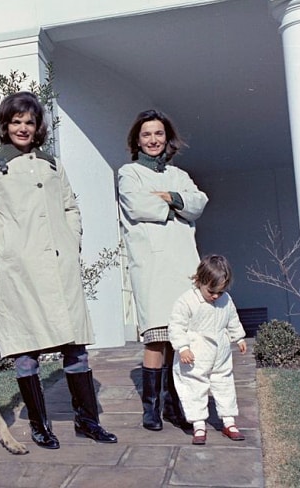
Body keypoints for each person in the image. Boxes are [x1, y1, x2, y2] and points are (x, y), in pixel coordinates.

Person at [0, 91, 117, 449]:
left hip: (60, 267)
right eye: (16, 122)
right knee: (26, 348)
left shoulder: (53, 165)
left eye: (29, 122)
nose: (22, 128)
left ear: (38, 129)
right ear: (5, 126)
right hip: (21, 272)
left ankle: (88, 421)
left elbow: (71, 207)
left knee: (75, 347)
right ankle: (40, 425)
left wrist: (72, 239)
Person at [117, 109, 208, 431]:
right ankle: (151, 409)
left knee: (181, 338)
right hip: (152, 265)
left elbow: (198, 204)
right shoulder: (129, 173)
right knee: (156, 338)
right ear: (137, 140)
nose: (153, 140)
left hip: (184, 263)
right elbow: (137, 205)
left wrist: (171, 197)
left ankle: (176, 403)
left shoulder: (179, 175)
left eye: (158, 134)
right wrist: (177, 208)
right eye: (146, 134)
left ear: (166, 138)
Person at [168, 254, 247, 445]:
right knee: (194, 387)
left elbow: (232, 318)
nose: (215, 296)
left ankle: (229, 421)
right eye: (211, 291)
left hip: (220, 352)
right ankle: (198, 424)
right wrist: (183, 347)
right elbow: (176, 325)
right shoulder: (186, 301)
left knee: (224, 384)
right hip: (195, 353)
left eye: (220, 292)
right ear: (199, 280)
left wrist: (239, 337)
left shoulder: (225, 300)